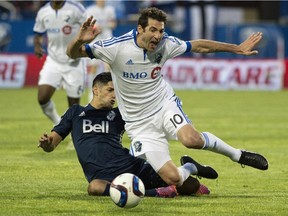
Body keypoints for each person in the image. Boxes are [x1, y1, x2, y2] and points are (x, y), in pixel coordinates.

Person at [66, 7, 268, 188]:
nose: (158, 36)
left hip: (163, 105)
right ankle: (191, 167)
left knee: (192, 140)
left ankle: (238, 155)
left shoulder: (167, 44)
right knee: (172, 178)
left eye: (161, 30)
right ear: (140, 29)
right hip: (139, 124)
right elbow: (73, 54)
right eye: (153, 30)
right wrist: (78, 40)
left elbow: (198, 46)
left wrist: (236, 48)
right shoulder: (116, 47)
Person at [37, 72, 212, 197]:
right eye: (110, 90)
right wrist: (46, 144)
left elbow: (150, 119)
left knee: (193, 187)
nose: (114, 96)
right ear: (96, 90)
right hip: (103, 177)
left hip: (133, 167)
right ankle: (156, 193)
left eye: (116, 91)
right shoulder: (75, 113)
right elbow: (51, 144)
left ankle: (190, 167)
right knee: (94, 188)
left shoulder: (121, 113)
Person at [33, 0, 87, 125]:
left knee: (73, 105)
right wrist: (37, 46)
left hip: (74, 61)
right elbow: (38, 33)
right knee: (42, 98)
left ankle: (76, 135)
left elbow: (89, 28)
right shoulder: (43, 12)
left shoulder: (76, 8)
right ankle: (58, 123)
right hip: (53, 60)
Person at [85, 0, 117, 102]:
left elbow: (113, 24)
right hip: (95, 41)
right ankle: (92, 93)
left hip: (108, 41)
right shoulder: (90, 10)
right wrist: (95, 27)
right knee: (94, 67)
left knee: (108, 68)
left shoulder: (110, 9)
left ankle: (108, 93)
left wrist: (105, 26)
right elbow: (88, 25)